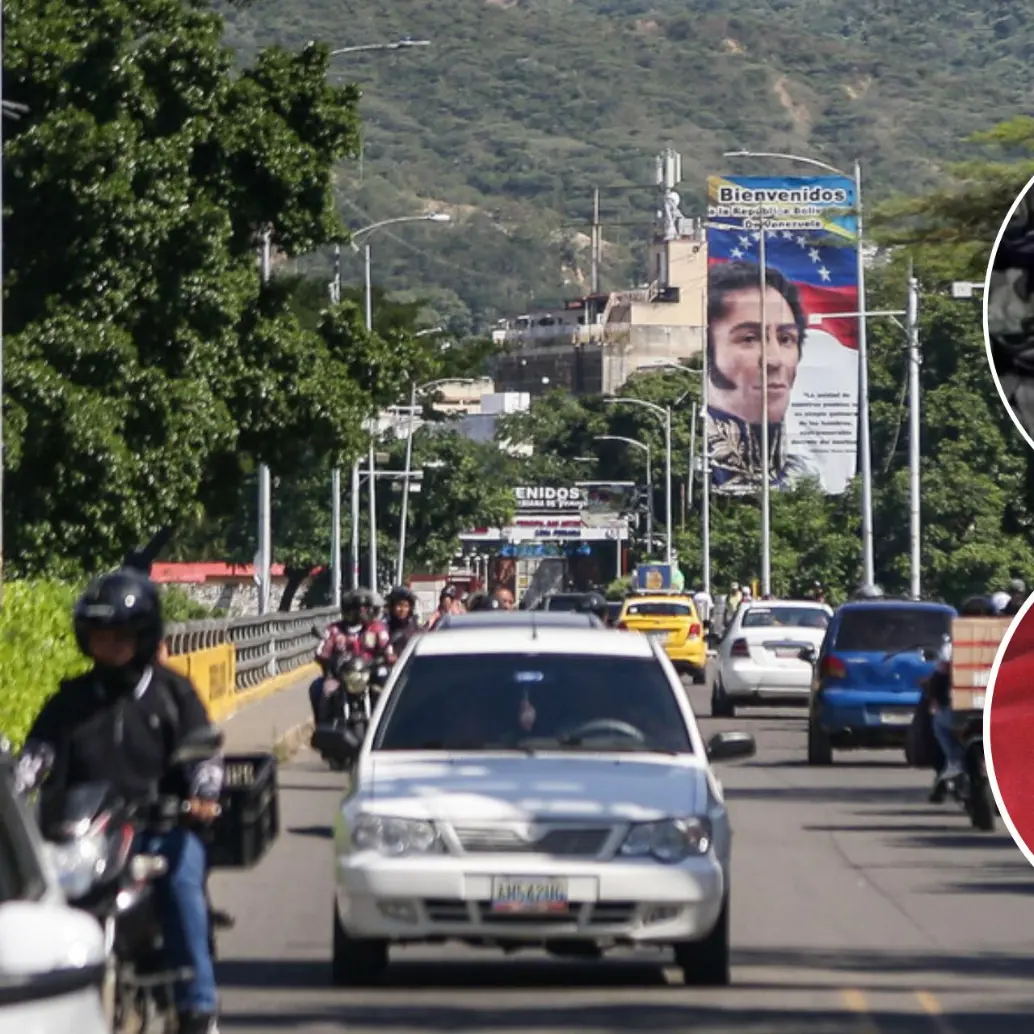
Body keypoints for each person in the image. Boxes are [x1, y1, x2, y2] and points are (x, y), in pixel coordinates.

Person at [14, 569, 224, 1034]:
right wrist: (13, 788)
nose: (107, 645)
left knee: (184, 882)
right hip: (85, 838)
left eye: (119, 636)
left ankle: (199, 1006)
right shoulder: (70, 700)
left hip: (160, 831)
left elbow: (204, 754)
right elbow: (36, 755)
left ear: (144, 636)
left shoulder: (173, 693)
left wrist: (203, 795)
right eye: (99, 635)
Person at [705, 260, 822, 494]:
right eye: (749, 339)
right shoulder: (694, 466)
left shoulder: (807, 477)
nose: (774, 360)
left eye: (786, 338)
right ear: (708, 352)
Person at [309, 589, 394, 726]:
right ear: (347, 610)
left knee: (388, 689)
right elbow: (322, 651)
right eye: (358, 608)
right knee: (322, 690)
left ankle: (389, 726)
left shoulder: (377, 628)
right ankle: (323, 727)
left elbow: (387, 648)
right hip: (342, 677)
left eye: (366, 608)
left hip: (370, 675)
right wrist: (329, 659)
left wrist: (388, 657)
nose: (363, 612)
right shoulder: (334, 629)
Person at [923, 636, 965, 799]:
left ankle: (955, 761)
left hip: (961, 711)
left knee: (939, 724)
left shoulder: (953, 646)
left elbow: (939, 679)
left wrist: (936, 701)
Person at [384, 586, 420, 653]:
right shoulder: (385, 627)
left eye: (406, 606)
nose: (402, 610)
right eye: (399, 605)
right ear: (392, 606)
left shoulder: (414, 626)